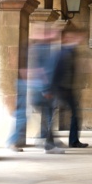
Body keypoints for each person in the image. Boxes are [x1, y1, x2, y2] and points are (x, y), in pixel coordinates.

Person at [50, 25, 89, 148]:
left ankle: (73, 140)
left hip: (67, 88)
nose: (78, 39)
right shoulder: (62, 52)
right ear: (66, 38)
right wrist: (52, 88)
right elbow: (55, 71)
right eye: (74, 36)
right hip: (61, 89)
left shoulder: (71, 51)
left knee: (72, 114)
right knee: (54, 114)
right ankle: (50, 141)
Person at [29, 24, 65, 154]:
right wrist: (46, 90)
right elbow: (44, 70)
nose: (55, 35)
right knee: (49, 117)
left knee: (48, 117)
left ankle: (45, 140)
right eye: (51, 33)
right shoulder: (44, 49)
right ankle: (49, 145)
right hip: (45, 90)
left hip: (41, 89)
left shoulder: (39, 48)